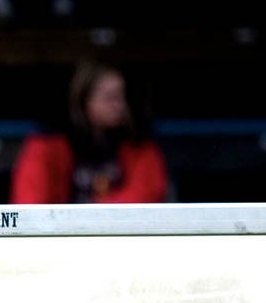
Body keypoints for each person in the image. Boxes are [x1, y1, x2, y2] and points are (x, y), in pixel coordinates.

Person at [9, 60, 169, 204]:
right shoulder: (48, 143)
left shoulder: (137, 141)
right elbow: (29, 202)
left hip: (118, 233)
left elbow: (147, 195)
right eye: (110, 97)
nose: (120, 106)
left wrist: (98, 216)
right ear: (85, 100)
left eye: (122, 97)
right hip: (61, 233)